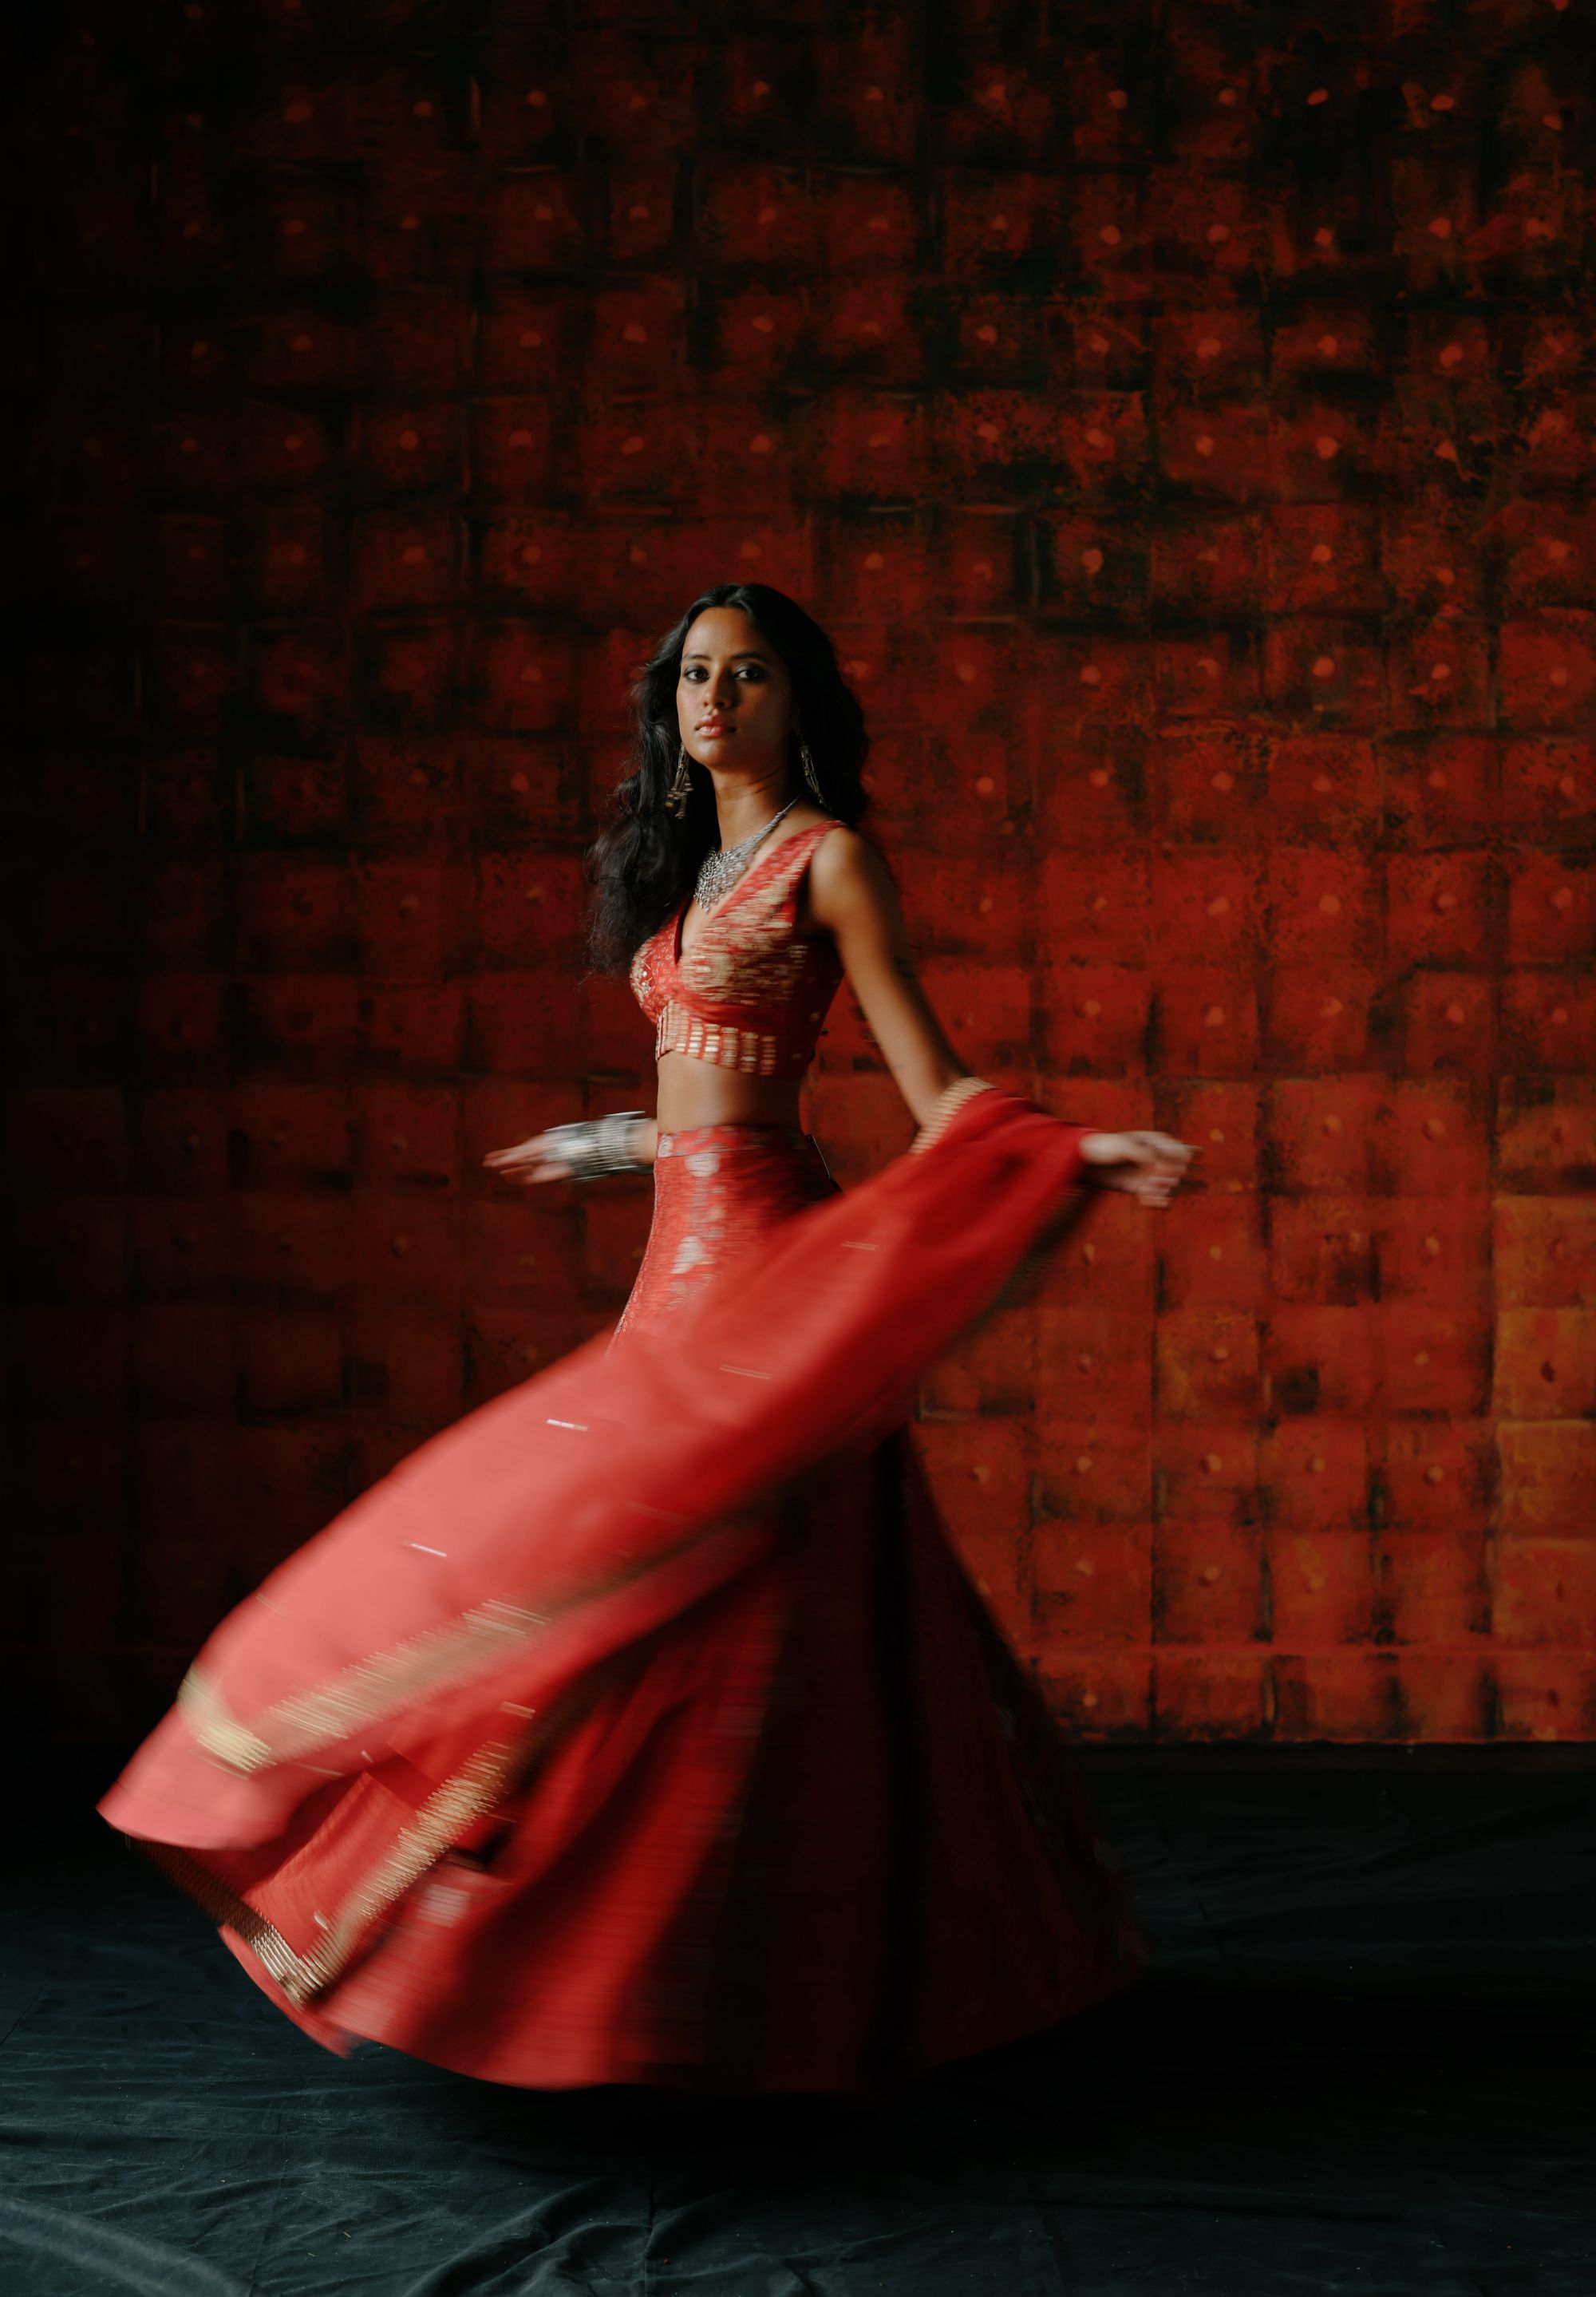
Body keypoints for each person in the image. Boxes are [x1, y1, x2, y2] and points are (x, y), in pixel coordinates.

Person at [99, 583, 1195, 2100]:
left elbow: (933, 1087)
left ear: (796, 699)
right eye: (694, 675)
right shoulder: (688, 884)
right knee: (653, 1589)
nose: (714, 699)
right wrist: (609, 1139)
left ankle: (764, 1993)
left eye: (747, 676)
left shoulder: (831, 862)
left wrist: (1071, 1155)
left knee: (730, 1591)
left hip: (762, 1264)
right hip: (670, 1267)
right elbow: (706, 1084)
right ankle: (649, 1977)